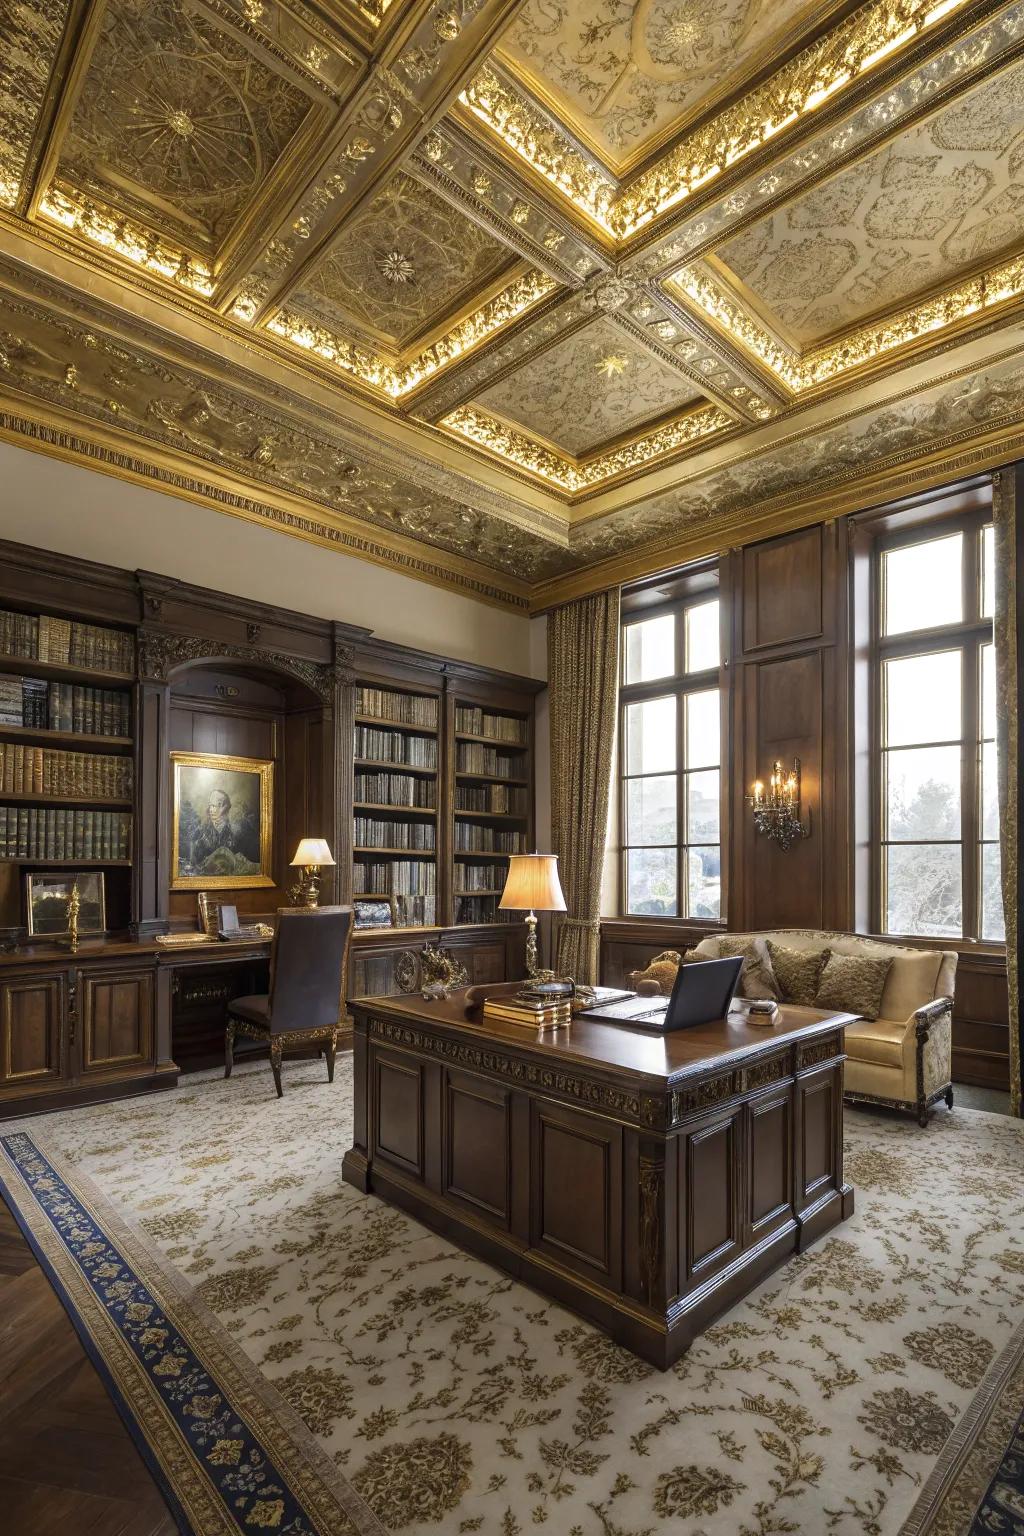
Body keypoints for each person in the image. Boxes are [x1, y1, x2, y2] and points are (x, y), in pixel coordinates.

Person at [186, 785, 260, 873]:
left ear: (226, 808)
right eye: (211, 805)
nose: (212, 810)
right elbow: (195, 863)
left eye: (217, 805)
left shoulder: (238, 832)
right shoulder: (201, 832)